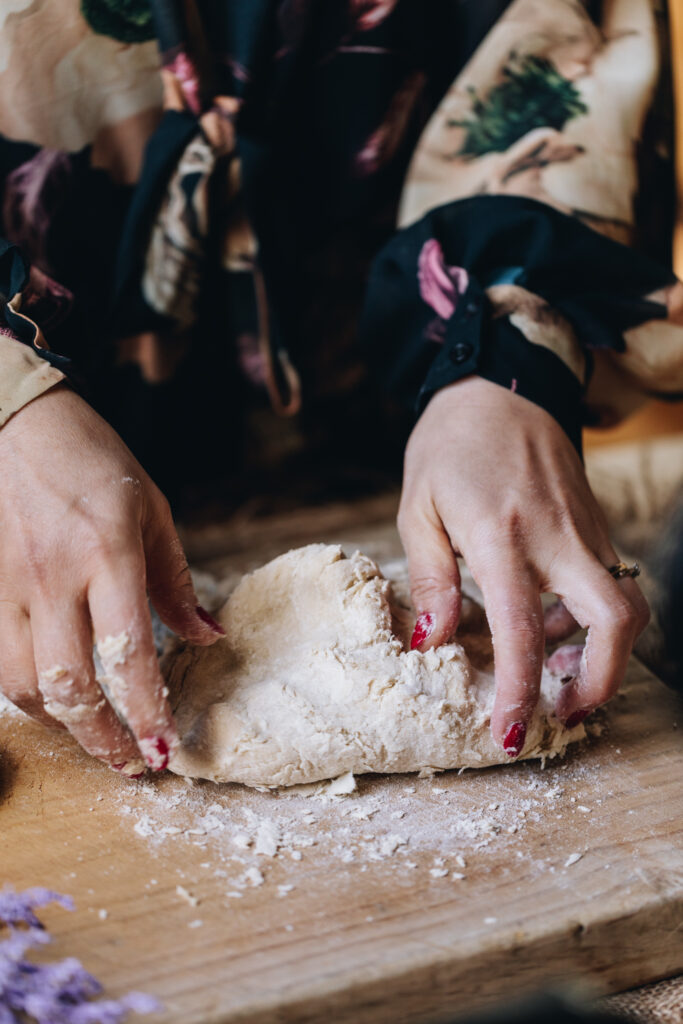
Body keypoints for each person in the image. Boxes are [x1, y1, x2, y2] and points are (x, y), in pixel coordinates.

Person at [0, 0, 681, 777]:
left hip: (408, 457)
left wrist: (502, 348)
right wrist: (8, 397)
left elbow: (566, 66)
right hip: (37, 473)